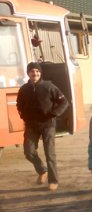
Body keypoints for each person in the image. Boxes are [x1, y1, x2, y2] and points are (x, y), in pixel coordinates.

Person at [16, 61, 69, 191]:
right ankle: (42, 171)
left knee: (49, 153)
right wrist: (23, 116)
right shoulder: (23, 89)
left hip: (48, 125)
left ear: (40, 73)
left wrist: (54, 113)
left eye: (37, 71)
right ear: (28, 73)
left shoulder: (49, 86)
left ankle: (53, 180)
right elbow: (19, 105)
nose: (35, 73)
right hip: (31, 125)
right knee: (29, 152)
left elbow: (64, 102)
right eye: (32, 71)